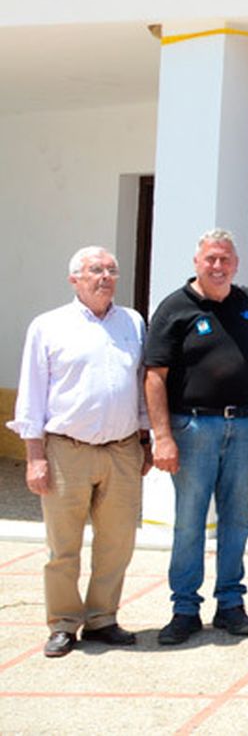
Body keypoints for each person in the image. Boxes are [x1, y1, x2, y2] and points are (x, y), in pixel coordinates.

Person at [10, 247, 149, 658]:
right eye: (95, 270)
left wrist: (143, 442)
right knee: (63, 545)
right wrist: (35, 456)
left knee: (117, 542)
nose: (104, 277)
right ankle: (64, 623)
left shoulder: (133, 322)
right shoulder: (49, 326)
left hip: (121, 449)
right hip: (65, 450)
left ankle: (103, 617)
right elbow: (32, 396)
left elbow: (140, 385)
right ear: (74, 279)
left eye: (111, 270)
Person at [144, 229, 248, 645]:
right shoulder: (174, 308)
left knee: (238, 520)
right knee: (190, 522)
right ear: (197, 262)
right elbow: (154, 377)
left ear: (236, 264)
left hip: (244, 426)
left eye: (226, 259)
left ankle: (231, 603)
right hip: (192, 428)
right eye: (211, 259)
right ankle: (184, 608)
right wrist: (161, 436)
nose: (218, 266)